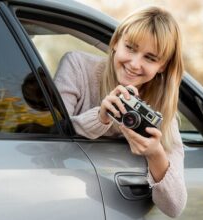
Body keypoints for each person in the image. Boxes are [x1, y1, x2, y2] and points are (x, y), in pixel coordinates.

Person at [54, 6, 187, 218]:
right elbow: (49, 139)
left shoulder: (160, 110)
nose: (134, 64)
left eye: (150, 58)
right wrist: (100, 117)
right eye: (130, 48)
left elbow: (174, 207)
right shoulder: (78, 67)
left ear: (162, 66)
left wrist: (155, 154)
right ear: (116, 42)